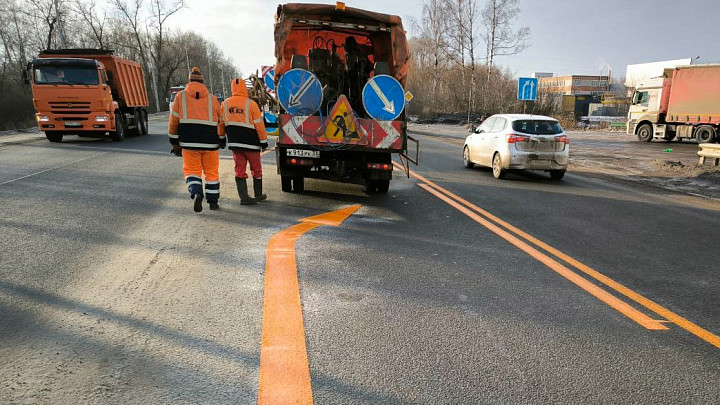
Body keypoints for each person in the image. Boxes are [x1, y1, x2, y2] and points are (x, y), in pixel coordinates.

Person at [168, 67, 226, 212]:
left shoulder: (180, 97)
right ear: (202, 82)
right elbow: (221, 121)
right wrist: (222, 139)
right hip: (210, 143)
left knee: (192, 171)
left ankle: (196, 193)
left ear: (189, 81)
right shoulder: (213, 99)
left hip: (189, 143)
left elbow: (174, 121)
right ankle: (213, 202)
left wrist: (174, 142)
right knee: (211, 172)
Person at [221, 77, 269, 205]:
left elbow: (221, 124)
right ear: (245, 89)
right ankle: (258, 195)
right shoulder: (251, 104)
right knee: (256, 169)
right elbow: (259, 125)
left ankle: (244, 197)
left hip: (235, 144)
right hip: (251, 144)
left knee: (239, 170)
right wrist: (263, 141)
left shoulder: (225, 104)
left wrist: (221, 139)